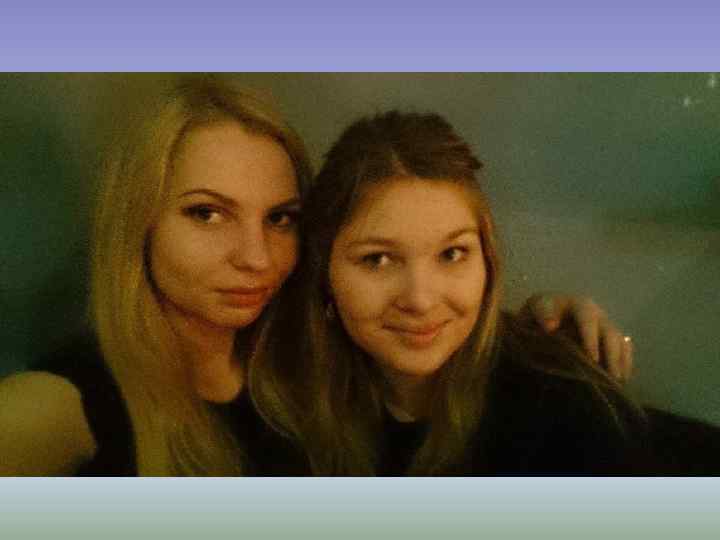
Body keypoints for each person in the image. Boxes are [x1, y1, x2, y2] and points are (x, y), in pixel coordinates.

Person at [0, 77, 634, 476]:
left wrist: (529, 329)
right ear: (137, 221)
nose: (255, 258)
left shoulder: (306, 357)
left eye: (279, 218)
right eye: (207, 213)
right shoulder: (69, 404)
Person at [250, 109, 661, 476]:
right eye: (378, 259)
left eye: (452, 254)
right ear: (324, 272)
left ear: (487, 260)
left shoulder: (572, 414)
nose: (420, 300)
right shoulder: (285, 407)